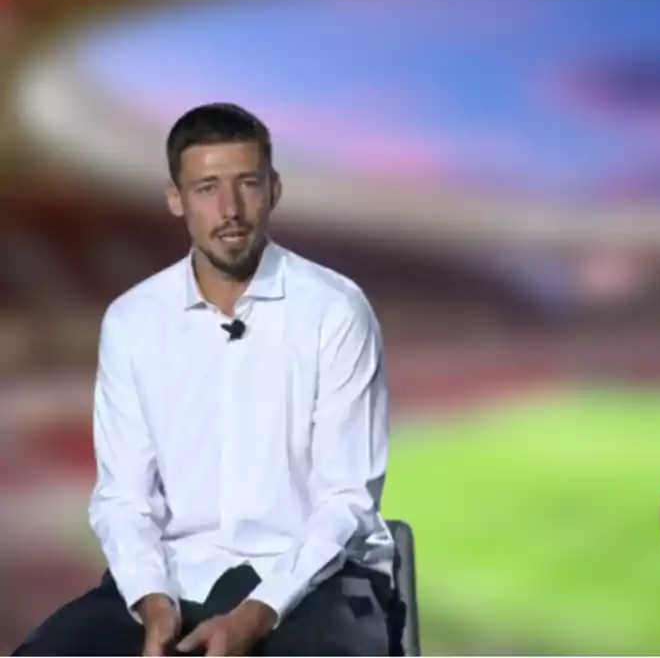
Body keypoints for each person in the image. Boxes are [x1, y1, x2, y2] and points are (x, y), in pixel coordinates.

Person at [15, 103, 397, 656]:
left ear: (274, 190)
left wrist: (255, 616)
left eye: (247, 183)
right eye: (207, 188)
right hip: (176, 579)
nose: (230, 209)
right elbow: (124, 497)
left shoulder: (335, 310)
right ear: (176, 199)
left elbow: (345, 501)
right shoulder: (133, 320)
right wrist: (151, 601)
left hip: (319, 582)